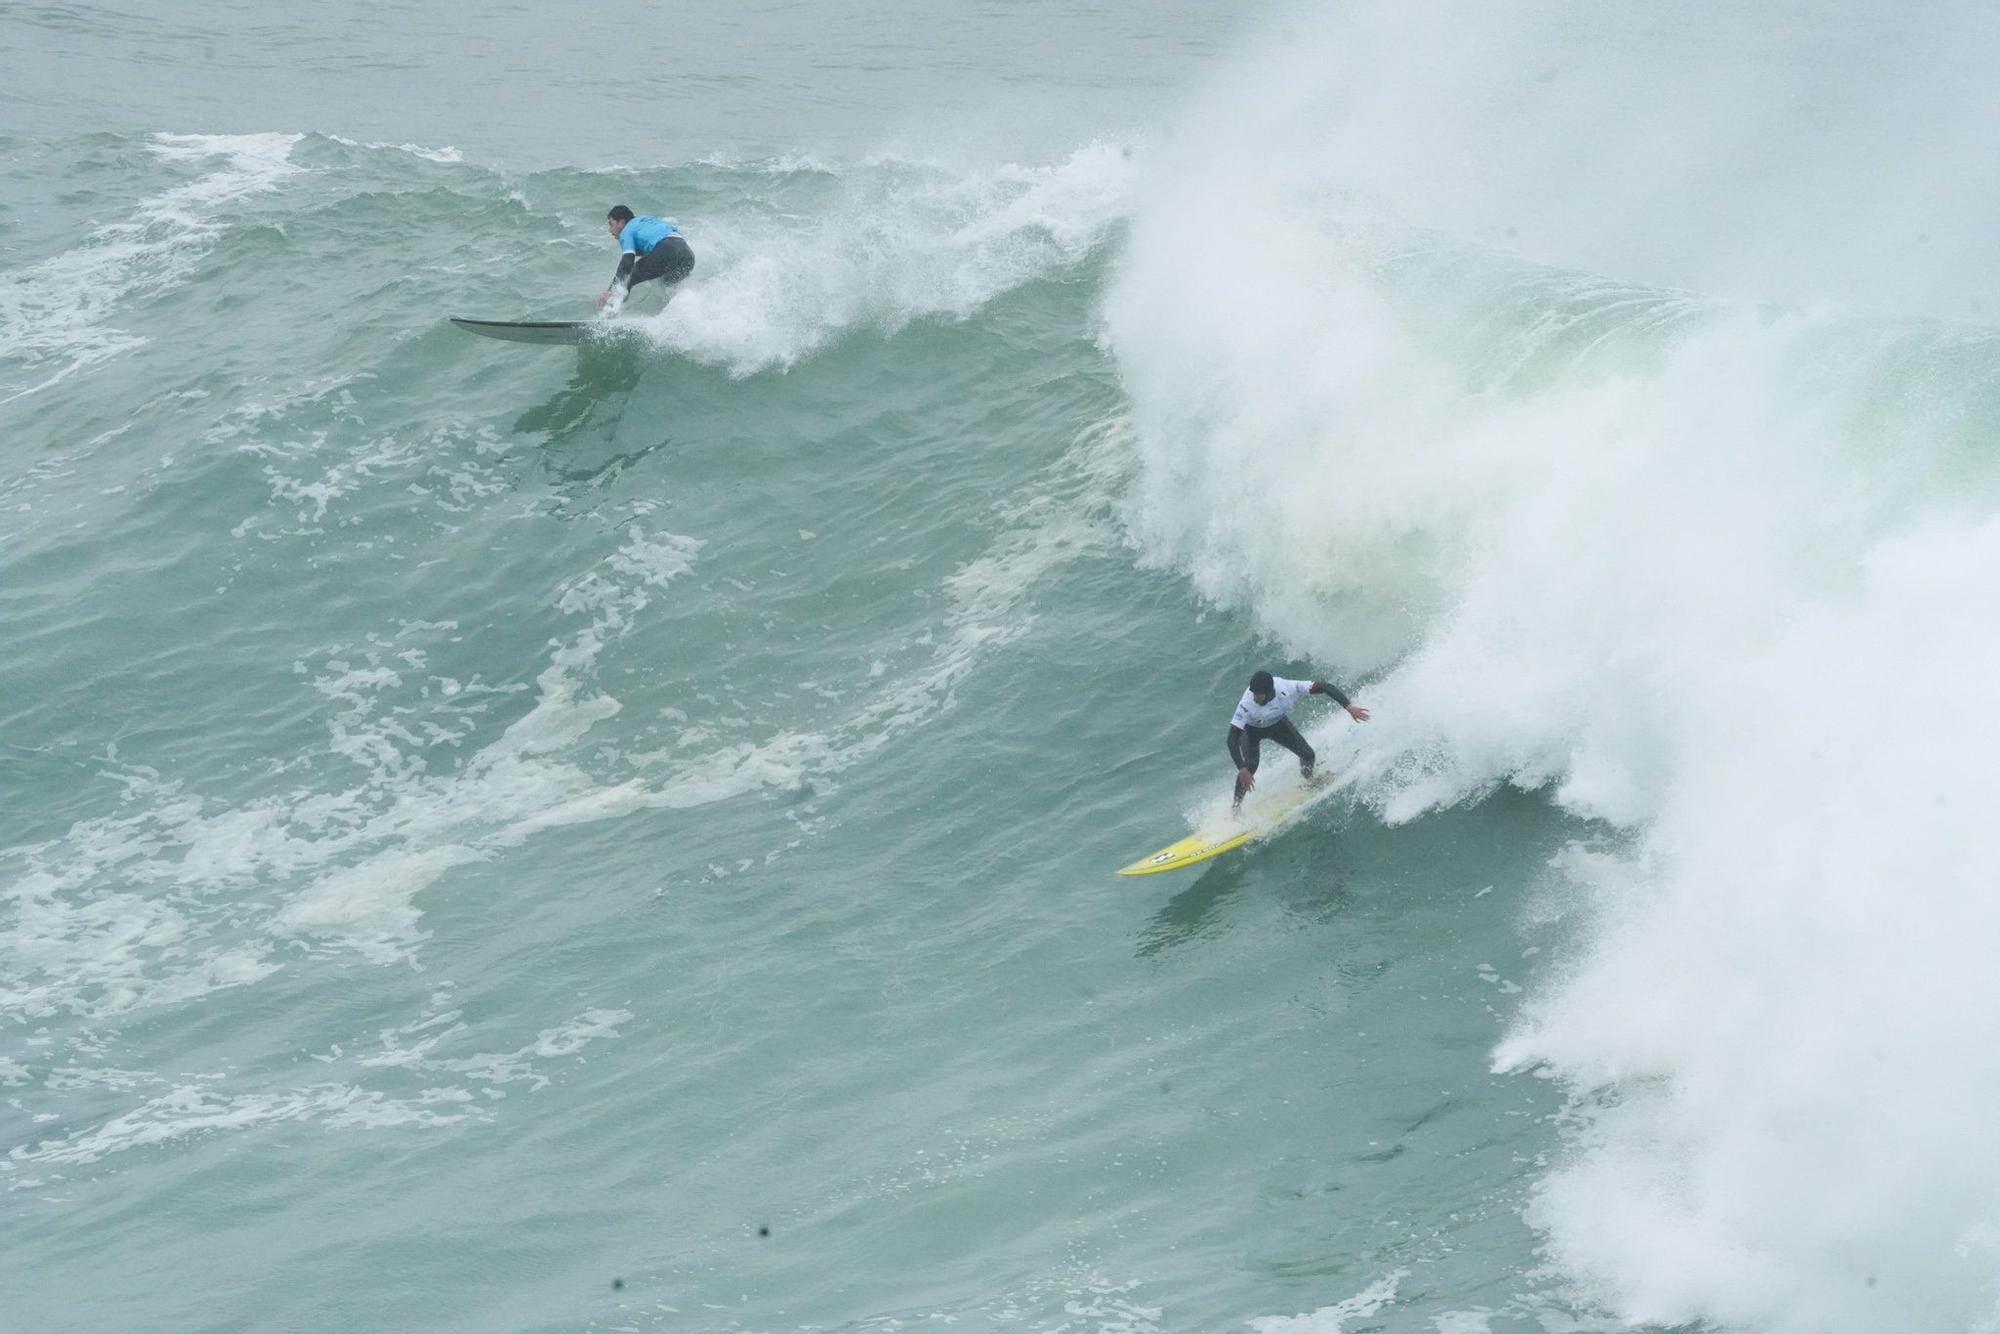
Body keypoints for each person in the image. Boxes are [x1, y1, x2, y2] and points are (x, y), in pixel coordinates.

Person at [1226, 669, 1369, 810]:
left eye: (1258, 695)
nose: (1254, 698)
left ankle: (1309, 780)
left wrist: (1349, 707)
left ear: (1269, 693)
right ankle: (1236, 808)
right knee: (1249, 767)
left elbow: (1324, 687)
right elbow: (1231, 738)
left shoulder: (1287, 687)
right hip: (1250, 731)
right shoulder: (1246, 704)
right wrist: (1241, 768)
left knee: (1308, 755)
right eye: (1253, 693)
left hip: (1277, 724)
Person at [596, 204, 695, 312]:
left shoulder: (627, 230)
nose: (610, 230)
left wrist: (610, 290)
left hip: (667, 248)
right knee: (667, 284)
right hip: (687, 256)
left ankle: (611, 311)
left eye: (611, 224)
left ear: (621, 222)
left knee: (630, 277)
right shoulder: (646, 221)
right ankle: (683, 310)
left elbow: (627, 262)